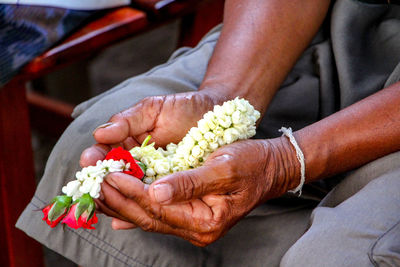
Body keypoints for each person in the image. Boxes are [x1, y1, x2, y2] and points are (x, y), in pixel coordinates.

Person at [17, 0, 400, 266]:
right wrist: (223, 97)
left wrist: (285, 161)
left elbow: (282, 161)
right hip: (335, 25)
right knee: (89, 147)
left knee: (343, 255)